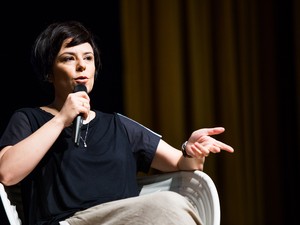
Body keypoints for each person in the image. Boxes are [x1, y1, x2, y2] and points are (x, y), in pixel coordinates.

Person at [0, 20, 234, 225]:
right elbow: (7, 173)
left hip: (126, 219)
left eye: (88, 58)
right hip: (67, 222)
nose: (81, 66)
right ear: (49, 73)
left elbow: (183, 163)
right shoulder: (29, 119)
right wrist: (62, 119)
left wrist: (191, 150)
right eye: (68, 58)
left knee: (171, 205)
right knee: (169, 204)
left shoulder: (119, 126)